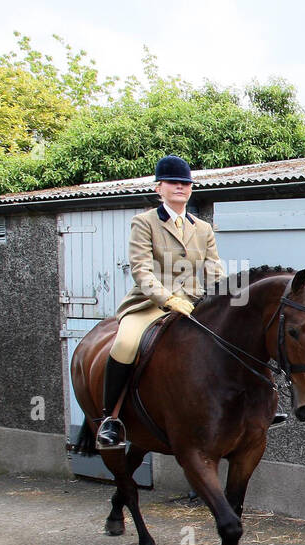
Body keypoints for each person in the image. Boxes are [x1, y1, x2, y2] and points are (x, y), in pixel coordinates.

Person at [96, 155, 228, 448]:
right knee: (126, 344)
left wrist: (223, 299)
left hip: (193, 303)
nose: (180, 187)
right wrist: (167, 298)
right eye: (173, 182)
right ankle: (111, 419)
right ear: (159, 188)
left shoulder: (203, 228)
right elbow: (141, 269)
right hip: (149, 303)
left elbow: (214, 270)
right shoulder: (144, 222)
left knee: (231, 338)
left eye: (185, 183)